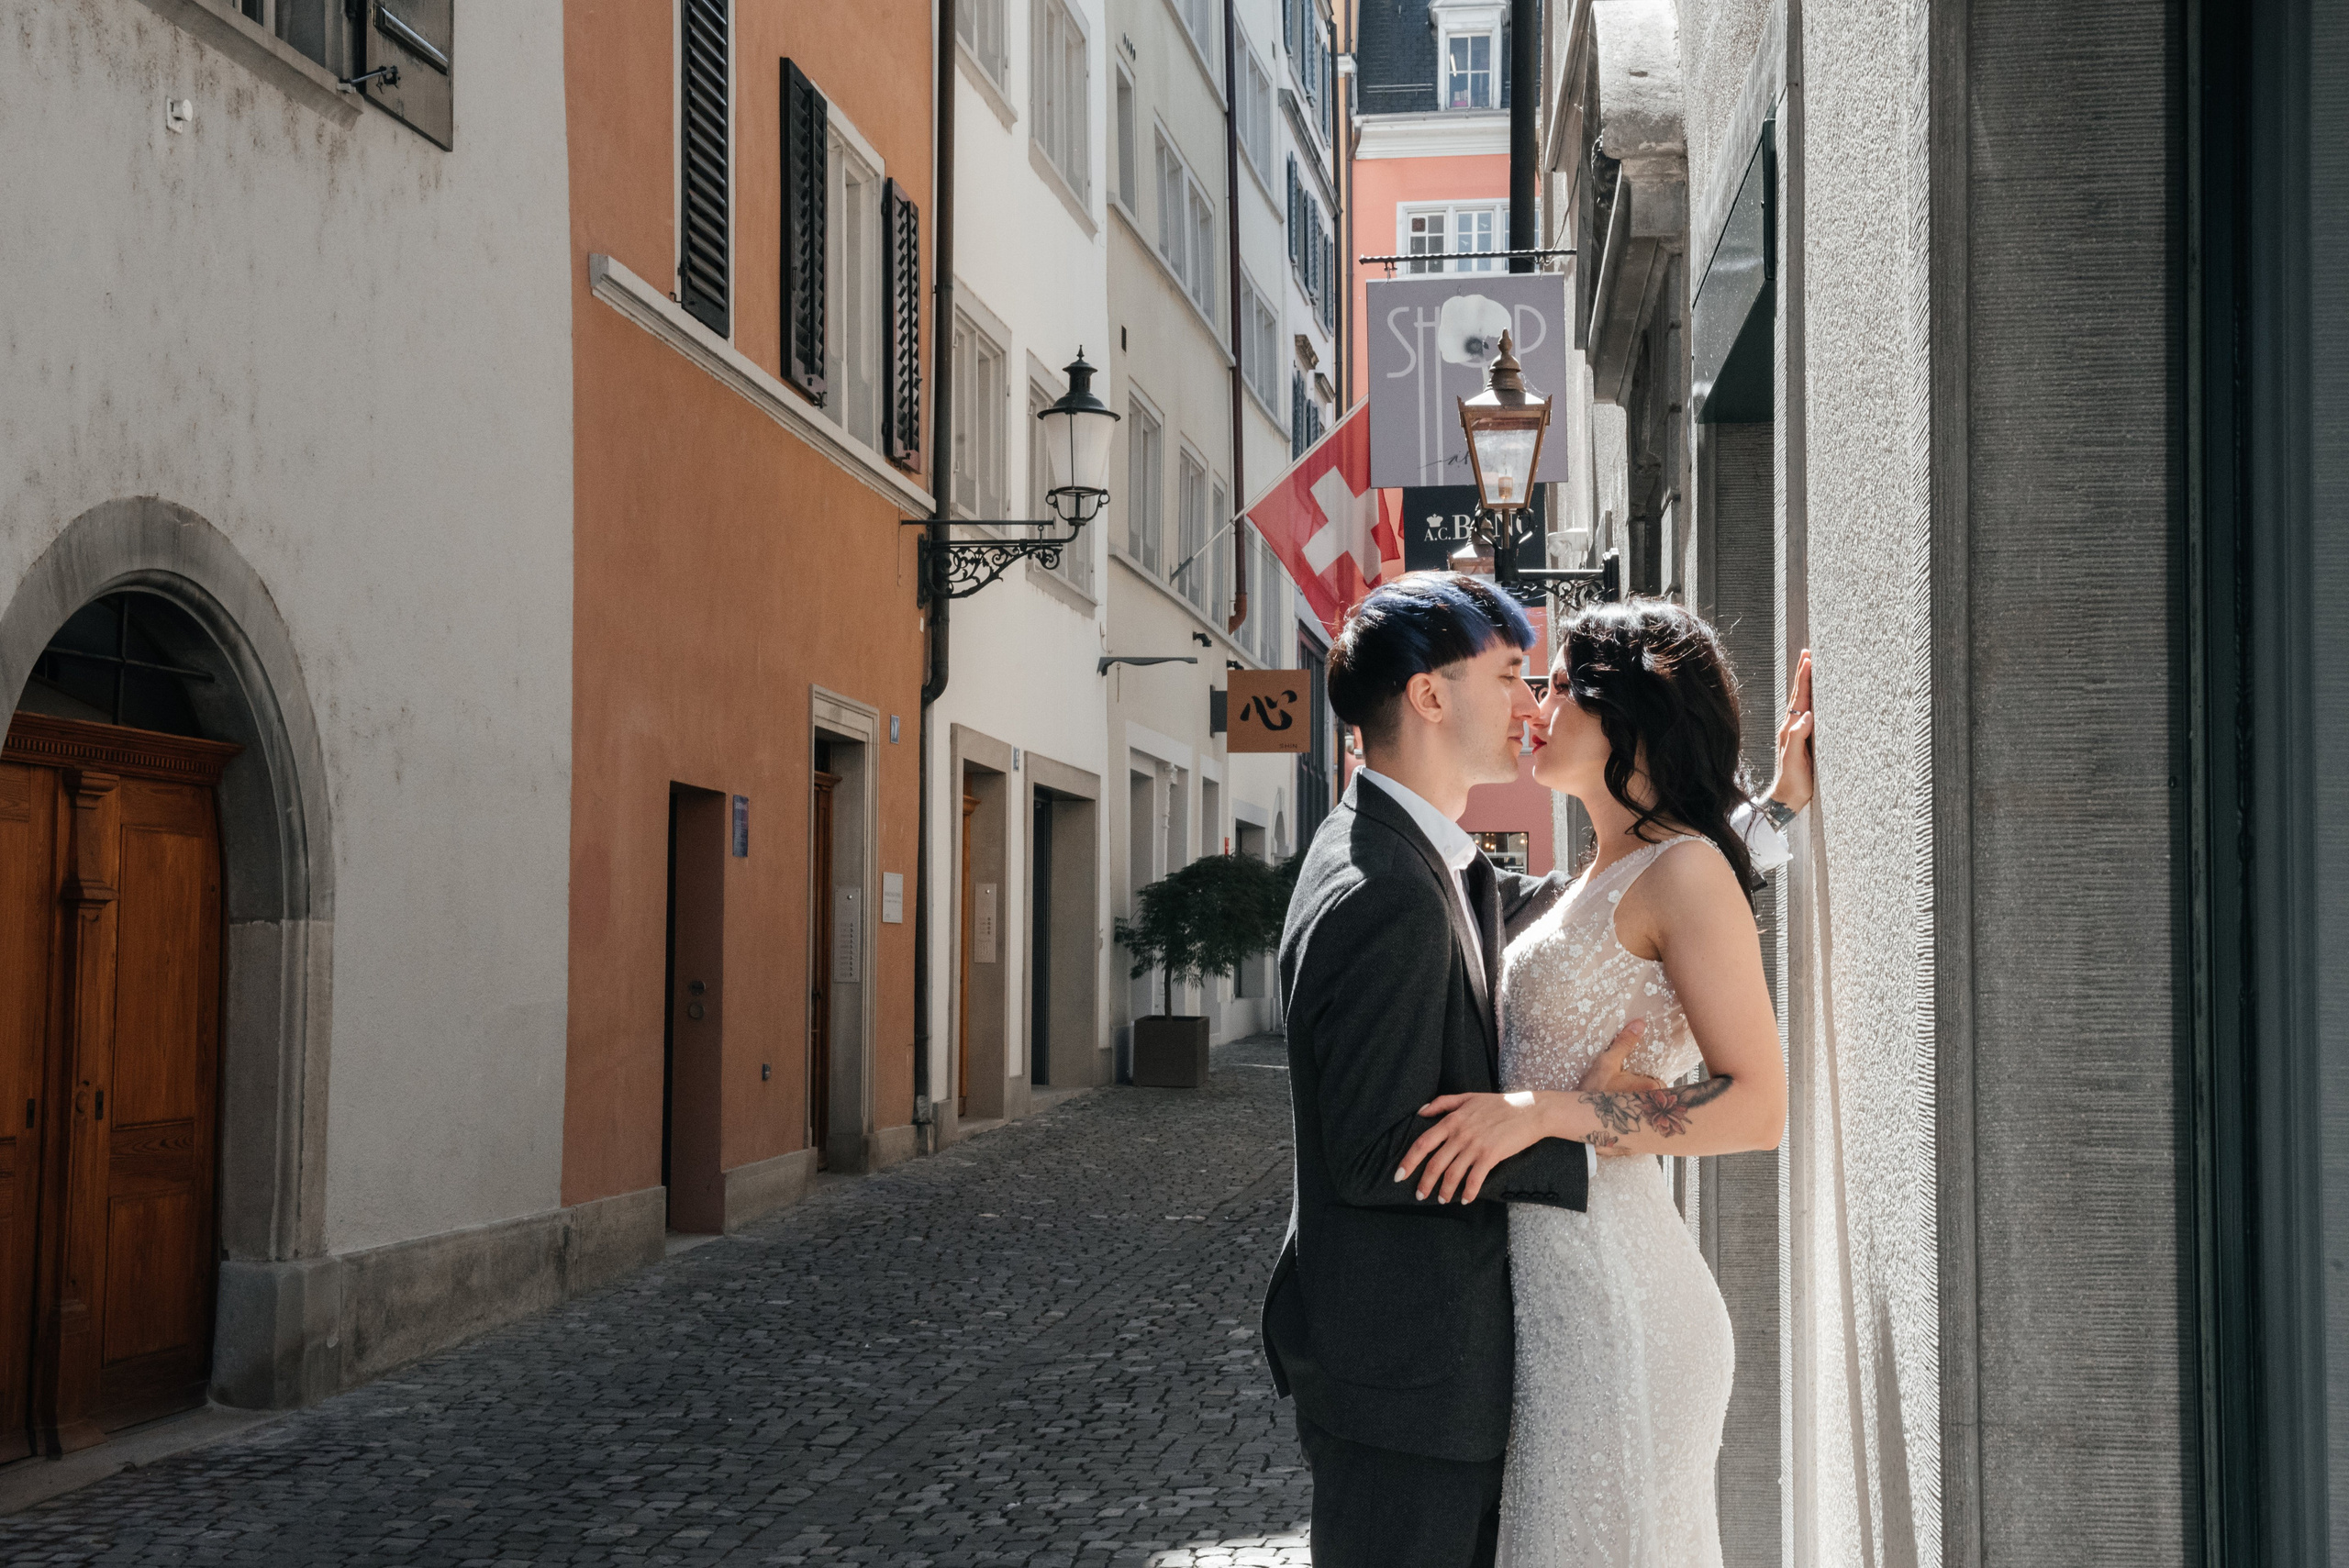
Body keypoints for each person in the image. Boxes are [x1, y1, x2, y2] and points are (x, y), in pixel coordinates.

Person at [1263, 573, 1811, 1568]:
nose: (1531, 705)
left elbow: (1753, 1091)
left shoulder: (1429, 863)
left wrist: (1559, 1110)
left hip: (1609, 1300)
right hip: (1467, 1350)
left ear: (1629, 715)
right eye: (1520, 675)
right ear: (1431, 696)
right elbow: (1376, 1147)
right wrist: (1560, 1118)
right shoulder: (1399, 879)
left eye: (1554, 684)